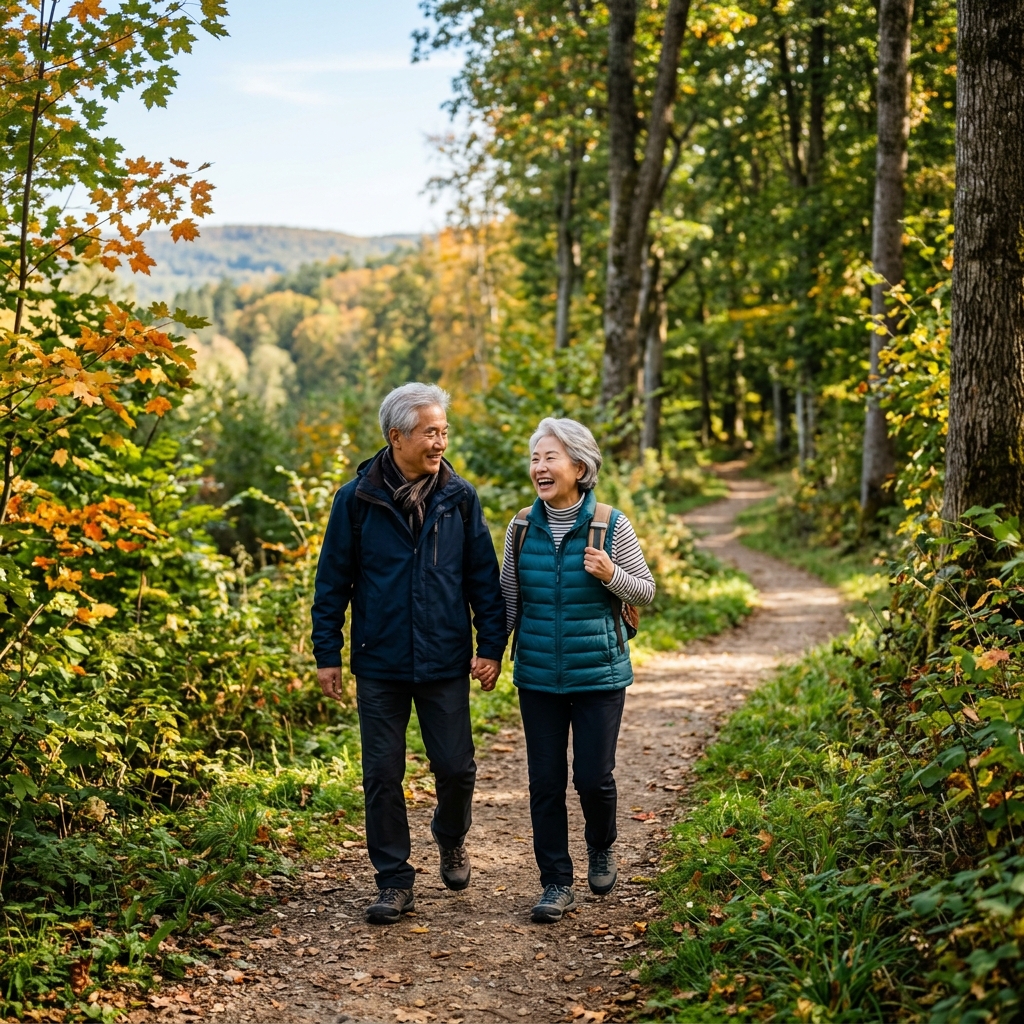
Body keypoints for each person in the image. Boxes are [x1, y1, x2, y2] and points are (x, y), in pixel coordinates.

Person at [312, 383, 506, 925]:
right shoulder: (355, 501)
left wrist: (491, 646)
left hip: (445, 659)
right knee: (381, 774)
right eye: (430, 432)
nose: (440, 442)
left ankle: (450, 836)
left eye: (444, 431)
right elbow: (332, 582)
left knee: (456, 768)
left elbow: (482, 578)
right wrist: (328, 653)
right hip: (380, 660)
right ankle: (394, 880)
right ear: (396, 436)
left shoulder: (459, 497)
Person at [500, 417, 655, 923]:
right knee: (545, 782)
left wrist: (612, 574)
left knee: (593, 778)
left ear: (580, 466)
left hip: (599, 674)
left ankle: (602, 845)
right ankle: (556, 883)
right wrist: (488, 652)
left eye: (550, 457)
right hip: (538, 675)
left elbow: (645, 591)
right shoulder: (522, 527)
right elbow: (508, 600)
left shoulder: (611, 524)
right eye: (535, 459)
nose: (540, 468)